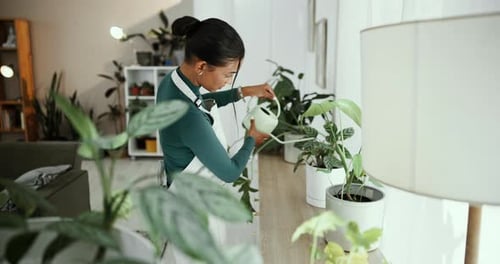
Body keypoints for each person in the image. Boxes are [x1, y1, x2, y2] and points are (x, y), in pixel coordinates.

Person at [157, 16, 275, 187]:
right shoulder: (190, 119)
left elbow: (199, 102)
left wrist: (245, 91)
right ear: (201, 67)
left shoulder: (172, 81)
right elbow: (230, 172)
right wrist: (251, 140)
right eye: (228, 75)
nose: (228, 81)